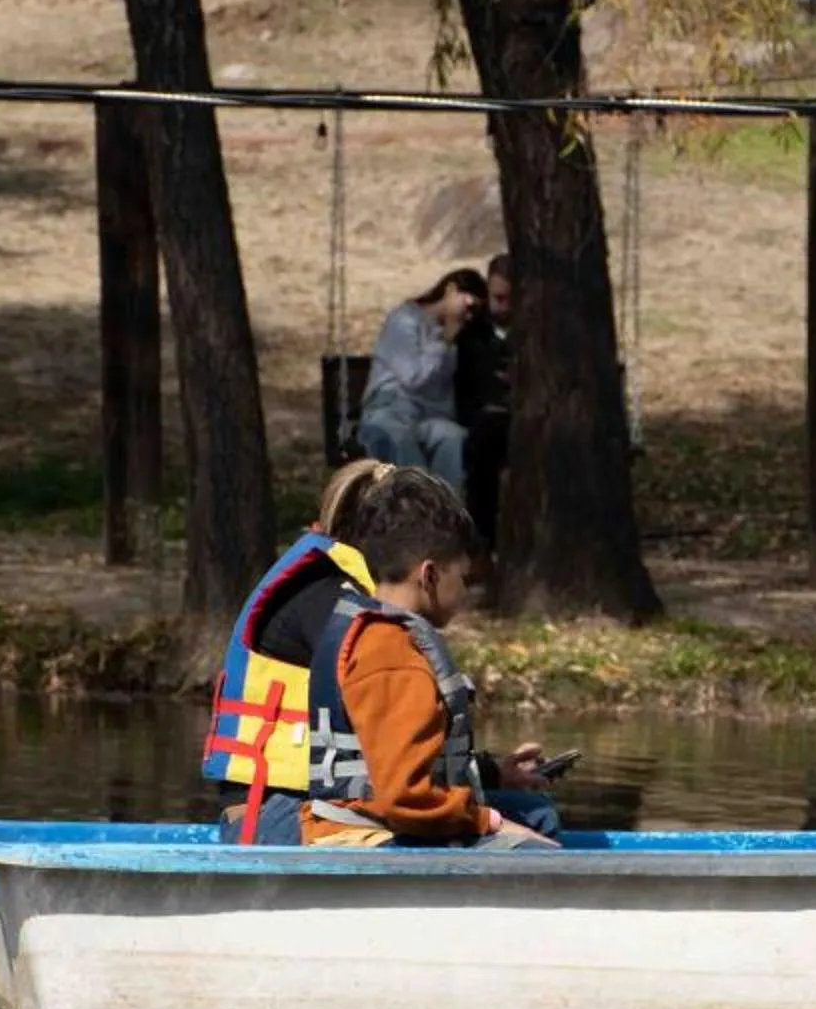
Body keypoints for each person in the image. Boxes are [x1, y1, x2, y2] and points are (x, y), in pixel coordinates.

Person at [206, 460, 558, 845]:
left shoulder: (362, 610)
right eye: (464, 577)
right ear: (425, 570)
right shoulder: (353, 618)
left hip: (332, 803)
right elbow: (400, 780)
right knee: (520, 829)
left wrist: (488, 774)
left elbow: (391, 751)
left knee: (531, 815)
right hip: (276, 812)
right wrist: (487, 820)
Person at [357, 269, 487, 488]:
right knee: (400, 438)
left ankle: (447, 507)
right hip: (391, 408)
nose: (469, 316)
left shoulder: (452, 338)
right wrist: (445, 339)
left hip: (425, 416)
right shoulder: (404, 320)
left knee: (452, 437)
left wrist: (448, 339)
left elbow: (441, 395)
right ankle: (416, 504)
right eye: (468, 306)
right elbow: (414, 377)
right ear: (450, 289)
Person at [456, 253, 516, 546]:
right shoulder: (473, 334)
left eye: (510, 298)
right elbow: (465, 387)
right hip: (484, 422)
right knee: (483, 444)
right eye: (498, 297)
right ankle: (483, 537)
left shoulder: (537, 334)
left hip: (524, 420)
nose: (503, 307)